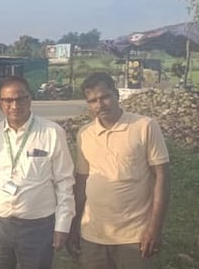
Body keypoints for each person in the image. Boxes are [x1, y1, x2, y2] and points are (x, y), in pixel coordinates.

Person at [0, 75, 75, 269]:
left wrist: (63, 225)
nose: (15, 105)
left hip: (39, 225)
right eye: (8, 100)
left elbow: (65, 182)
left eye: (20, 98)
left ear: (30, 99)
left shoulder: (52, 133)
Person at [68, 72, 170, 268]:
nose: (100, 105)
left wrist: (155, 227)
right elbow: (82, 182)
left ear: (117, 95)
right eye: (92, 101)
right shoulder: (85, 133)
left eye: (105, 97)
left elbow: (162, 177)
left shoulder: (144, 126)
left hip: (135, 236)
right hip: (93, 235)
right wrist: (74, 226)